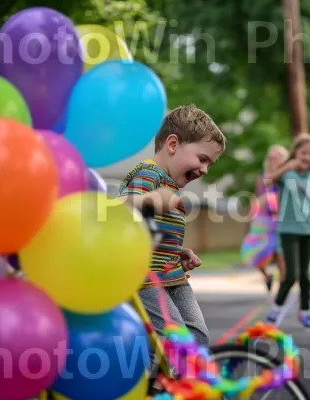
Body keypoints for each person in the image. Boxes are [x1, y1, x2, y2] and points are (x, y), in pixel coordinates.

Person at [118, 104, 226, 351]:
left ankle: (182, 383)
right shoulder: (149, 174)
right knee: (176, 345)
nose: (205, 169)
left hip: (172, 276)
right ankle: (156, 385)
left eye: (210, 164)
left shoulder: (170, 186)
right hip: (146, 280)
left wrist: (177, 251)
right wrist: (151, 200)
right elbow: (122, 209)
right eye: (202, 159)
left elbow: (148, 231)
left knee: (198, 339)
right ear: (173, 144)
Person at [264, 133, 310, 332]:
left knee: (305, 275)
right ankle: (274, 314)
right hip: (288, 230)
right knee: (291, 275)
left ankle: (305, 314)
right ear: (296, 153)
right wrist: (287, 166)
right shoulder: (287, 174)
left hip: (308, 230)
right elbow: (268, 181)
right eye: (303, 153)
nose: (306, 157)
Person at [244, 145, 289, 291]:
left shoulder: (286, 177)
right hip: (263, 222)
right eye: (270, 157)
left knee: (280, 257)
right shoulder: (262, 178)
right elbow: (257, 200)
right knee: (257, 258)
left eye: (276, 157)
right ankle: (267, 276)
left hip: (281, 222)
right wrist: (250, 219)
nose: (272, 160)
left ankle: (282, 291)